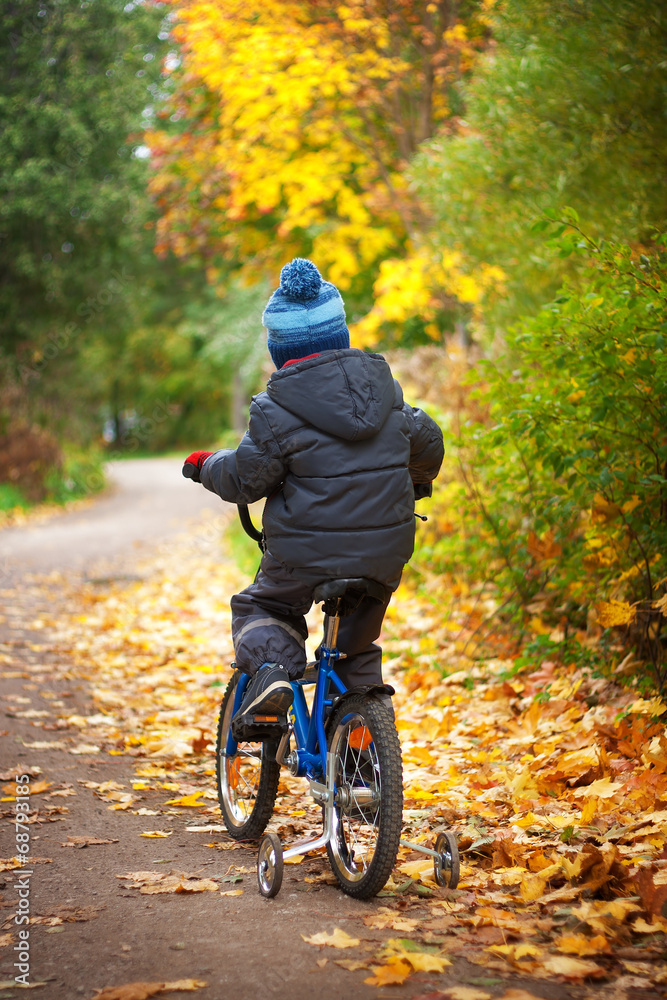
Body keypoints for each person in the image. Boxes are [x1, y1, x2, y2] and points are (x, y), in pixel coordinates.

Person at [183, 258, 443, 738]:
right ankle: (365, 765)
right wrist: (414, 480)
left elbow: (246, 478)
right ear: (341, 336)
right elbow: (428, 442)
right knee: (354, 650)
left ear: (280, 350)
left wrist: (205, 465)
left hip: (303, 558)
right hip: (382, 555)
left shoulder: (275, 409)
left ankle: (272, 676)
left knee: (264, 607)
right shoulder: (387, 395)